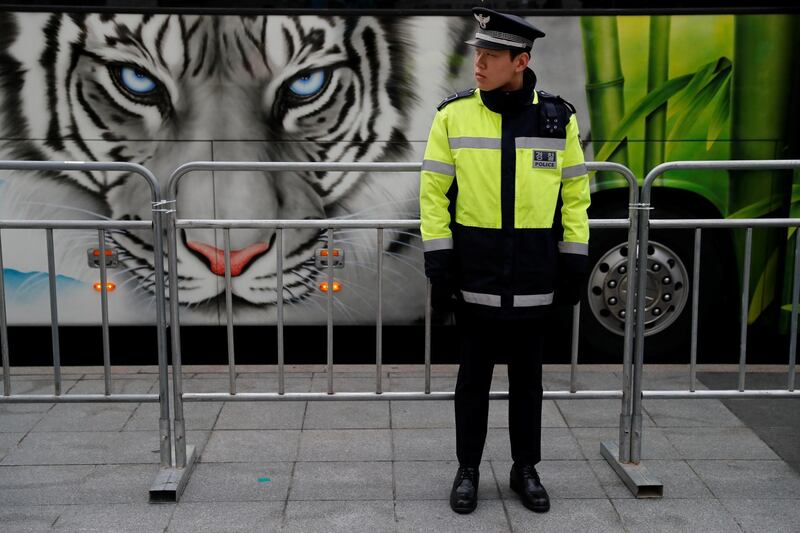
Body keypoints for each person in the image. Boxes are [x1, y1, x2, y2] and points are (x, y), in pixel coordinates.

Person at [419, 7, 591, 514]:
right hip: (475, 274)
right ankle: (467, 469)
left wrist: (575, 262)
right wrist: (439, 264)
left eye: (491, 56)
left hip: (536, 274)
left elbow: (575, 196)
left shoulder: (558, 117)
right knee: (471, 380)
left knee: (528, 382)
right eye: (478, 53)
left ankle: (525, 470)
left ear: (521, 60)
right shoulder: (452, 115)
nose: (478, 64)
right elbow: (432, 195)